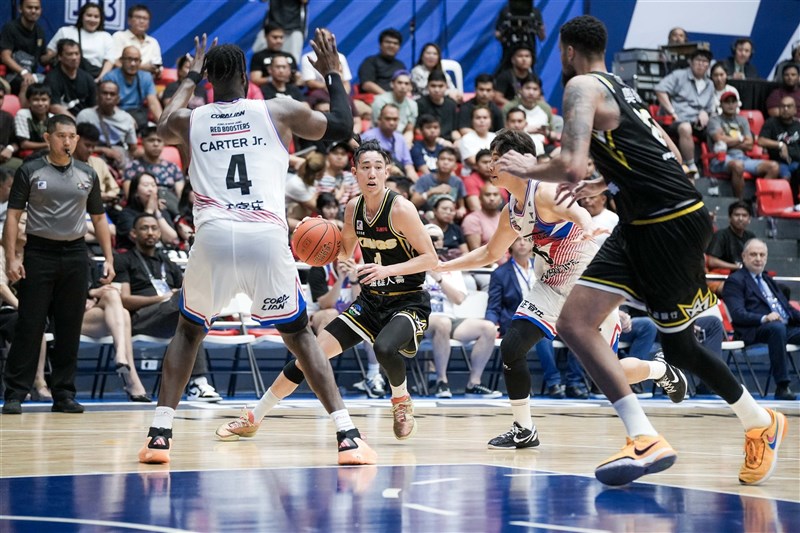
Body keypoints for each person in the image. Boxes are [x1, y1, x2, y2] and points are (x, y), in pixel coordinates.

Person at [494, 15, 786, 486]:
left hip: (666, 221)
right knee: (611, 331)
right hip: (650, 219)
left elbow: (567, 163)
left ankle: (735, 426)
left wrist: (531, 166)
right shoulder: (622, 88)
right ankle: (735, 425)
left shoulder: (580, 87)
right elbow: (667, 145)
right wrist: (605, 179)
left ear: (567, 52)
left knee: (625, 334)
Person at [138, 31, 377, 465]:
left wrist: (189, 76)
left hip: (212, 237)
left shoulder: (191, 119)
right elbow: (342, 126)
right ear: (247, 77)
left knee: (189, 332)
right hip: (265, 237)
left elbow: (162, 120)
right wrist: (332, 72)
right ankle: (347, 437)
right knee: (301, 338)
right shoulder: (277, 110)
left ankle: (159, 435)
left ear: (209, 78)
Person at [438, 129, 686, 450]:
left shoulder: (545, 192)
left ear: (518, 161)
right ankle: (524, 428)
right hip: (551, 284)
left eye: (498, 158)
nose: (491, 165)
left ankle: (658, 368)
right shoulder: (511, 210)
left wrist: (588, 226)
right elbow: (489, 253)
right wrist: (444, 266)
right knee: (512, 346)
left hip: (586, 286)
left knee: (607, 374)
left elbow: (577, 211)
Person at [215, 139, 438, 443]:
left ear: (387, 172)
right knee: (309, 358)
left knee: (384, 347)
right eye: (365, 167)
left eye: (378, 167)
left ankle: (401, 401)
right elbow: (345, 250)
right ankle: (254, 417)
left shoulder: (401, 209)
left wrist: (386, 270)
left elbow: (431, 258)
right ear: (354, 172)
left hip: (407, 302)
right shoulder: (352, 208)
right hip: (371, 302)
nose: (372, 173)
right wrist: (330, 250)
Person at [2, 114, 115, 415]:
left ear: (77, 139)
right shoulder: (30, 170)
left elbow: (99, 218)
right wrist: (13, 257)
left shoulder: (87, 173)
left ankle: (63, 393)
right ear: (49, 138)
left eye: (72, 136)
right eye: (61, 136)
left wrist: (109, 257)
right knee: (30, 324)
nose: (67, 141)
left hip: (76, 253)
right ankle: (15, 393)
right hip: (39, 252)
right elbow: (12, 216)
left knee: (69, 327)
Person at [114, 213, 218, 401]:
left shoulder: (165, 261)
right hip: (139, 319)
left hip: (169, 316)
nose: (150, 232)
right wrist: (161, 298)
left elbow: (185, 290)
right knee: (187, 307)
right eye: (144, 228)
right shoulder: (124, 260)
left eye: (154, 228)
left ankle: (198, 383)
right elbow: (124, 300)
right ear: (133, 233)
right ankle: (196, 383)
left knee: (193, 313)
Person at [423, 223, 501, 399]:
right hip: (421, 320)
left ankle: (474, 383)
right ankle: (441, 381)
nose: (435, 242)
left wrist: (439, 278)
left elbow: (458, 298)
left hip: (450, 319)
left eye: (438, 239)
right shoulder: (412, 266)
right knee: (442, 323)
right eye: (431, 238)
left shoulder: (450, 267)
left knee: (488, 328)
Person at [722, 239, 799, 401]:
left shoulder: (768, 280)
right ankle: (782, 386)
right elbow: (737, 314)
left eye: (762, 255)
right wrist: (764, 318)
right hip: (753, 329)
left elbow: (787, 309)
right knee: (776, 328)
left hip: (783, 326)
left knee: (779, 327)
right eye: (753, 254)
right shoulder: (735, 281)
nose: (758, 258)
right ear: (744, 256)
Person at [655, 48, 716, 177]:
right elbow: (660, 89)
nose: (701, 64)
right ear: (691, 62)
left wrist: (705, 112)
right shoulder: (679, 75)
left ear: (708, 65)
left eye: (705, 61)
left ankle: (716, 167)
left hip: (699, 122)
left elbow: (710, 108)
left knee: (717, 127)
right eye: (698, 60)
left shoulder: (710, 83)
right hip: (677, 120)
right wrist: (671, 111)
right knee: (685, 127)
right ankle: (690, 164)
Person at [707, 91, 780, 199]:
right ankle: (739, 203)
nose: (731, 105)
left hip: (743, 158)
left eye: (733, 102)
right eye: (727, 102)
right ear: (721, 104)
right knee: (738, 165)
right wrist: (741, 139)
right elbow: (720, 139)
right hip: (721, 159)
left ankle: (757, 199)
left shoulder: (742, 120)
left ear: (737, 104)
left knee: (773, 167)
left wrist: (729, 142)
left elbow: (750, 145)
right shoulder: (714, 120)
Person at [75, 80, 138, 170]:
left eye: (112, 94)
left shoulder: (126, 119)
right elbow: (75, 144)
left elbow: (133, 148)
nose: (108, 97)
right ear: (97, 96)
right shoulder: (85, 115)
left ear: (118, 99)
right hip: (90, 160)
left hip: (118, 161)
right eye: (104, 93)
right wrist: (104, 150)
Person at [45, 2, 114, 81]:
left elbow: (109, 61)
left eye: (96, 17)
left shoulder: (106, 37)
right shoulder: (65, 31)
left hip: (94, 79)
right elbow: (49, 53)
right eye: (89, 15)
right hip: (64, 78)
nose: (92, 19)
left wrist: (100, 79)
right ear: (82, 16)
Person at [102, 46, 163, 131]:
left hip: (137, 114)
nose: (133, 63)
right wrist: (125, 118)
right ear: (121, 60)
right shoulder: (110, 77)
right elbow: (107, 104)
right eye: (129, 59)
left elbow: (153, 103)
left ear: (140, 62)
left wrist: (163, 124)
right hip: (115, 113)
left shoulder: (146, 77)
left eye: (136, 60)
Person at [757, 96, 800, 208]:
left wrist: (789, 152)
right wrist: (780, 145)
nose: (785, 109)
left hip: (796, 161)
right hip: (778, 162)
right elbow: (761, 140)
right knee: (785, 176)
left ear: (795, 110)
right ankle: (785, 205)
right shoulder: (771, 123)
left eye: (789, 106)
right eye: (782, 106)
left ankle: (796, 204)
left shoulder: (798, 126)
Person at [0, 0, 47, 95]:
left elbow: (42, 60)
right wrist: (23, 72)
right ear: (20, 9)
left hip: (31, 75)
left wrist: (56, 54)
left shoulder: (40, 31)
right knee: (27, 84)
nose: (33, 11)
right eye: (29, 7)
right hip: (11, 75)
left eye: (36, 8)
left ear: (41, 10)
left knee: (50, 83)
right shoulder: (10, 28)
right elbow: (5, 57)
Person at [45, 39, 97, 118]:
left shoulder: (87, 78)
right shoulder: (52, 78)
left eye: (77, 54)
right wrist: (74, 122)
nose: (74, 57)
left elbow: (94, 106)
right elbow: (54, 107)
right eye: (70, 54)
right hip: (62, 121)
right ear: (60, 57)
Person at [110, 4, 163, 77]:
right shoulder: (119, 36)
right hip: (122, 79)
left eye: (145, 18)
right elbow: (114, 63)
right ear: (129, 20)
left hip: (146, 83)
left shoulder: (153, 42)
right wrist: (142, 68)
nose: (141, 21)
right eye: (138, 17)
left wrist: (157, 70)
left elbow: (158, 67)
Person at [371, 70, 418, 147]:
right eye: (399, 83)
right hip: (379, 137)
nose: (403, 86)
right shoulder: (380, 101)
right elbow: (377, 126)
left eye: (406, 84)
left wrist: (406, 143)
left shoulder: (413, 105)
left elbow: (409, 130)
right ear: (392, 84)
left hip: (400, 138)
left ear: (410, 87)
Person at [357, 29, 406, 96]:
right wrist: (388, 97)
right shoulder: (370, 61)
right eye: (388, 42)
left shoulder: (401, 65)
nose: (391, 45)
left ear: (399, 48)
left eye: (395, 43)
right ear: (380, 45)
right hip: (374, 99)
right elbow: (366, 85)